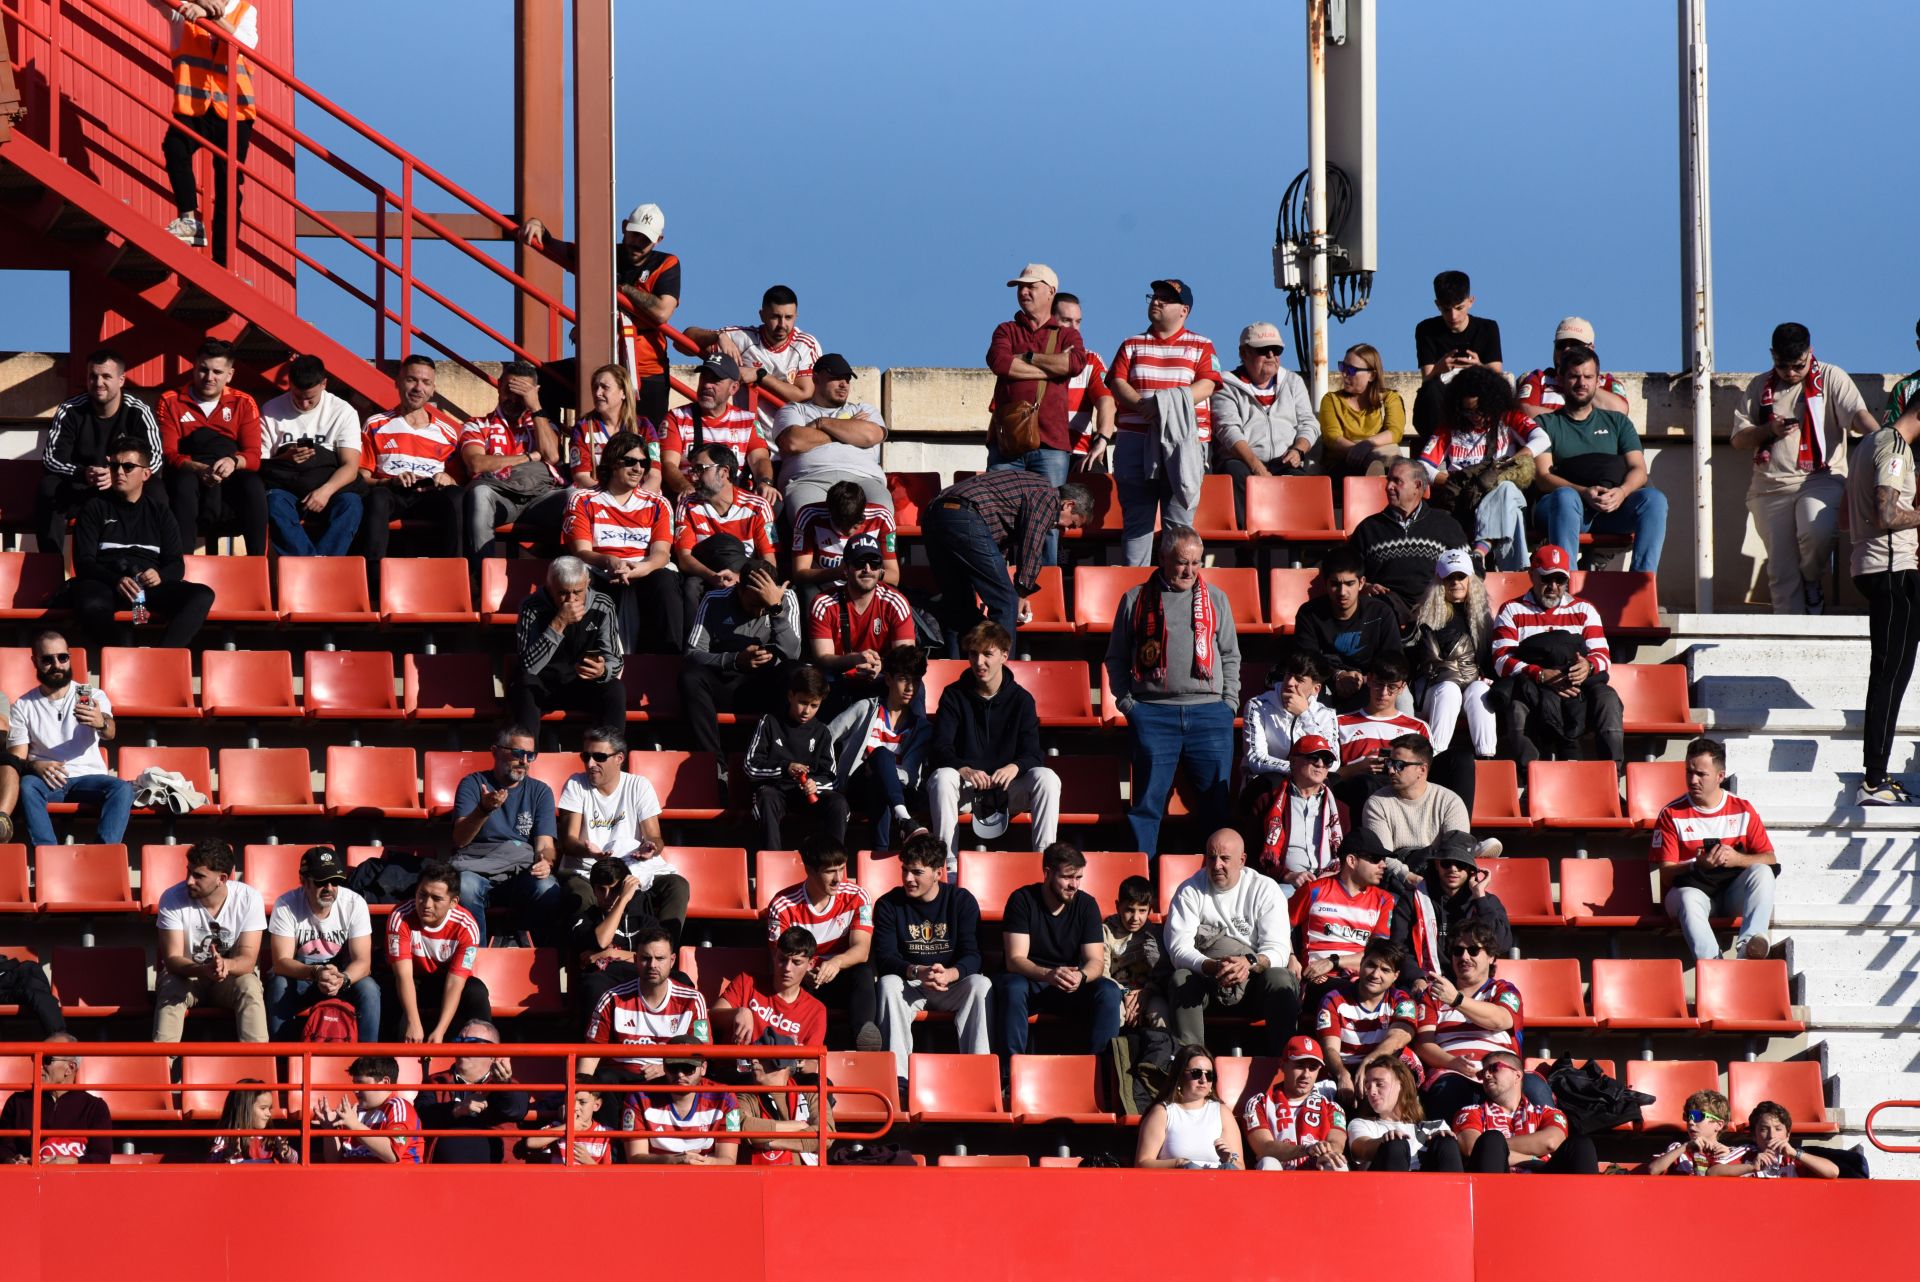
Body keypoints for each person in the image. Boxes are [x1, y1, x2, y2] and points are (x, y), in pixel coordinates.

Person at [1107, 527, 1241, 856]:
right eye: (1182, 562)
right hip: (1152, 715)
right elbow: (1116, 657)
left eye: (1196, 563)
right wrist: (1129, 705)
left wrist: (1229, 704)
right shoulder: (1136, 599)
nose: (1190, 571)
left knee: (1215, 807)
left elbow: (1230, 655)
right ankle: (1143, 889)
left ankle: (1214, 885)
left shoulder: (1216, 599)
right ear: (1163, 558)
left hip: (1210, 715)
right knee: (1147, 807)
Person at [1734, 322, 1878, 615]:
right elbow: (1739, 439)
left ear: (1810, 353)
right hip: (1770, 488)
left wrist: (1883, 443)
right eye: (1783, 365)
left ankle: (1812, 580)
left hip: (1820, 478)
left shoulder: (1830, 376)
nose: (1790, 373)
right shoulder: (1759, 386)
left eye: (1798, 366)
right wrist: (1768, 429)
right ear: (1772, 355)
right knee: (1782, 573)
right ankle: (1790, 636)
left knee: (1818, 531)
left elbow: (1858, 416)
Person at [518, 202, 680, 425]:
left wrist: (622, 288)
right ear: (624, 227)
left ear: (658, 240)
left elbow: (662, 312)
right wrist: (539, 227)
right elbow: (560, 249)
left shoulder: (666, 263)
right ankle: (551, 450)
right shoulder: (604, 255)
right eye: (635, 235)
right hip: (600, 363)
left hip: (646, 370)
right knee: (542, 380)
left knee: (647, 440)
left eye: (646, 239)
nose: (638, 243)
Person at [1106, 279, 1222, 566]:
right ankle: (1137, 588)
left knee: (1180, 524)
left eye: (1165, 299)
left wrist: (1162, 405)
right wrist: (1142, 405)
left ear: (1184, 310)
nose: (1156, 302)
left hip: (1184, 442)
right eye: (1154, 296)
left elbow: (1207, 385)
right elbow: (1117, 381)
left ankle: (1177, 592)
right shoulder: (1131, 344)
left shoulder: (1201, 345)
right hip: (1135, 440)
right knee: (1137, 521)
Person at [62, 435, 215, 649]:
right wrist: (116, 580)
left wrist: (160, 575)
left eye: (128, 466)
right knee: (90, 602)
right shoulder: (94, 507)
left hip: (146, 587)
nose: (119, 472)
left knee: (202, 595)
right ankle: (122, 653)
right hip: (106, 584)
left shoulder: (160, 513)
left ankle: (161, 658)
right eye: (114, 466)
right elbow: (84, 563)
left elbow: (176, 564)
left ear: (146, 474)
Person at [1487, 542, 1624, 776]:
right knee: (1517, 707)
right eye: (1545, 578)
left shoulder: (1584, 609)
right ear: (1531, 575)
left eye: (1560, 580)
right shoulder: (1511, 610)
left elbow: (1602, 655)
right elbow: (1501, 660)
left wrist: (1587, 667)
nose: (1553, 587)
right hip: (1532, 686)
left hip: (1578, 686)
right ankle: (1530, 779)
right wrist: (1540, 674)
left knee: (1608, 700)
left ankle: (1612, 777)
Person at [920, 470, 1091, 656]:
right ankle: (1001, 676)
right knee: (1006, 604)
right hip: (963, 515)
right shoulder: (1048, 496)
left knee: (959, 607)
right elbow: (1032, 543)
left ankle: (957, 671)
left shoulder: (1028, 489)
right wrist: (1021, 591)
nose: (1065, 531)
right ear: (1068, 505)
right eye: (1072, 524)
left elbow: (992, 548)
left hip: (935, 514)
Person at [1163, 828, 1300, 1055]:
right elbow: (1178, 949)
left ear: (1242, 861)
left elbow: (1278, 949)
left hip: (1255, 983)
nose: (1216, 865)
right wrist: (1212, 966)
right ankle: (1191, 1066)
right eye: (1211, 857)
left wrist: (1248, 963)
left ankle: (1285, 1064)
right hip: (1208, 980)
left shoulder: (1265, 889)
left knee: (1280, 977)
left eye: (1225, 858)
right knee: (1181, 979)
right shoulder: (1189, 890)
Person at [928, 621, 1059, 855]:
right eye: (973, 654)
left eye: (988, 654)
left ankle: (1045, 862)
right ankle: (946, 864)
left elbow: (1033, 754)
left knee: (1047, 778)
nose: (979, 662)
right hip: (966, 789)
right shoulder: (953, 695)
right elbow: (940, 747)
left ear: (1004, 655)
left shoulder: (1022, 700)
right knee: (942, 777)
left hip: (1008, 789)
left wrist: (1014, 767)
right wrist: (965, 769)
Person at [1532, 343, 1666, 572]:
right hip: (1561, 509)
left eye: (1588, 376)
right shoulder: (1546, 423)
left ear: (1598, 381)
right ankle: (1567, 584)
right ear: (1561, 380)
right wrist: (1583, 492)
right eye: (1574, 376)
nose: (1581, 383)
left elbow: (1638, 469)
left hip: (1610, 508)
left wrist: (1621, 493)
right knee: (1565, 497)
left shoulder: (1618, 422)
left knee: (1654, 500)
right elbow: (1543, 477)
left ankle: (1640, 585)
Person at [1848, 395, 1920, 804]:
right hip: (1891, 574)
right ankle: (1873, 779)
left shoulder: (1872, 442)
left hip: (1881, 570)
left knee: (1892, 673)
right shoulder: (1895, 448)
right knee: (1890, 675)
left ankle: (1876, 774)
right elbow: (1886, 515)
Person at [993, 842, 1123, 1058]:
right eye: (1068, 877)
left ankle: (1103, 1077)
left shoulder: (1087, 905)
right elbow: (1015, 960)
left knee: (1109, 991)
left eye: (1079, 877)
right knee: (1012, 987)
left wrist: (1081, 977)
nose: (1074, 885)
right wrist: (1048, 974)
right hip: (1030, 981)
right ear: (1047, 873)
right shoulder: (1022, 900)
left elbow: (1096, 962)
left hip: (1069, 985)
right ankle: (1008, 1078)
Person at [1652, 736, 1777, 961]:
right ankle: (1714, 966)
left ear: (1720, 776)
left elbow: (1770, 857)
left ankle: (1749, 949)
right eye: (1689, 772)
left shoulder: (1743, 809)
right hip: (1690, 893)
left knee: (1763, 872)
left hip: (1730, 894)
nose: (1692, 780)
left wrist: (1737, 859)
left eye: (1701, 774)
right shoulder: (1671, 814)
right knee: (1688, 898)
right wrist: (1695, 865)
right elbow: (1667, 874)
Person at [681, 559, 802, 790]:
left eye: (763, 605)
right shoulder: (715, 599)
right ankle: (714, 766)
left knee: (794, 672)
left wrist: (775, 609)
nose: (758, 611)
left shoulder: (786, 599)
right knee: (691, 677)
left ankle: (779, 761)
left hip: (767, 687)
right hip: (726, 682)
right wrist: (734, 660)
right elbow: (693, 653)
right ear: (738, 588)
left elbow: (793, 653)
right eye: (752, 604)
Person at [9, 629, 132, 852]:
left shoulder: (92, 695)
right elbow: (17, 757)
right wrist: (34, 765)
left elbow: (110, 732)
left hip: (88, 777)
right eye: (47, 659)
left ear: (69, 657)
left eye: (62, 657)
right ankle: (50, 854)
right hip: (47, 780)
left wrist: (101, 722)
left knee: (122, 789)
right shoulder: (23, 706)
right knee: (27, 785)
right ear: (35, 661)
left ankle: (102, 854)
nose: (56, 665)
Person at [1414, 923, 1547, 1121]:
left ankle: (1544, 1149)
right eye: (1458, 951)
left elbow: (1500, 1019)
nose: (1465, 957)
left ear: (1492, 956)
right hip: (1453, 1073)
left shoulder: (1503, 989)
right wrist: (1453, 1063)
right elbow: (1423, 1045)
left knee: (1535, 1086)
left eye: (1474, 950)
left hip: (1504, 1073)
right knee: (1449, 1090)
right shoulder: (1435, 993)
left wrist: (1456, 1000)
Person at [555, 727, 682, 934]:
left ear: (619, 758)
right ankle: (592, 955)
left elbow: (655, 838)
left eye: (599, 757)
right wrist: (590, 852)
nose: (590, 763)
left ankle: (661, 952)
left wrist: (650, 847)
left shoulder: (638, 785)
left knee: (676, 886)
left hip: (631, 868)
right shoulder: (576, 784)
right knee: (581, 895)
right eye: (585, 756)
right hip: (587, 870)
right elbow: (568, 840)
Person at [565, 428, 682, 654]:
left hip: (643, 569)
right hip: (601, 569)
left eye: (643, 463)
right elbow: (581, 552)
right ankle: (589, 658)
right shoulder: (582, 499)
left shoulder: (658, 504)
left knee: (666, 580)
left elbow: (661, 554)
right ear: (611, 462)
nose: (638, 469)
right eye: (630, 461)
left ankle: (668, 660)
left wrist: (639, 568)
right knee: (580, 576)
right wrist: (610, 561)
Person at [1421, 365, 1547, 572]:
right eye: (1467, 410)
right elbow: (1423, 466)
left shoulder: (1507, 419)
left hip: (1497, 491)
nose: (1474, 416)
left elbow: (1541, 438)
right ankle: (1515, 573)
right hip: (1466, 501)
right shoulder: (1450, 428)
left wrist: (1510, 462)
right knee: (1511, 505)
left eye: (1479, 410)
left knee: (1506, 489)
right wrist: (1451, 481)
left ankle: (1479, 553)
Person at [36, 347, 163, 554]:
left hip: (123, 489)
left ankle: (154, 563)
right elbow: (51, 458)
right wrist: (83, 473)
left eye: (106, 376)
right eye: (93, 376)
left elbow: (155, 459)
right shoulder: (70, 409)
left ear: (121, 380)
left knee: (156, 489)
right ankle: (51, 567)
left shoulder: (139, 411)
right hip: (82, 486)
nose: (98, 383)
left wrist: (117, 475)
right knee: (49, 487)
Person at [159, 0, 257, 262]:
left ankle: (223, 261)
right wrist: (199, 4)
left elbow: (246, 45)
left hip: (234, 113)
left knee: (228, 186)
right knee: (175, 147)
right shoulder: (183, 10)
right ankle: (188, 220)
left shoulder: (246, 11)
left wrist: (208, 15)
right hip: (195, 107)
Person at [450, 725, 565, 944]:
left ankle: (530, 957)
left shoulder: (540, 791)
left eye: (530, 755)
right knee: (465, 886)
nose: (524, 761)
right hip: (477, 869)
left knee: (548, 886)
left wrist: (545, 861)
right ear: (495, 751)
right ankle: (476, 963)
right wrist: (483, 810)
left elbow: (545, 844)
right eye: (518, 753)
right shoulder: (472, 784)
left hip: (518, 873)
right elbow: (460, 839)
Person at [985, 262, 1090, 494]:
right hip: (1007, 443)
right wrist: (1052, 368)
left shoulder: (1067, 334)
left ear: (1051, 291)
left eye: (1031, 286)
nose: (1023, 292)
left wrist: (1027, 357)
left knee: (1047, 520)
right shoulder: (1006, 329)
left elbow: (1074, 364)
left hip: (1051, 444)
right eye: (1020, 288)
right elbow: (1001, 363)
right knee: (1001, 515)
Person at [764, 837, 877, 1050]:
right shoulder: (782, 905)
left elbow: (861, 950)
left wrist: (835, 963)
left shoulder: (858, 896)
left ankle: (865, 1038)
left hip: (841, 974)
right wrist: (806, 974)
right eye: (829, 871)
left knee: (863, 972)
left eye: (842, 869)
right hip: (803, 980)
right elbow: (779, 960)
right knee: (789, 980)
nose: (838, 879)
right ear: (810, 870)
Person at [156, 338, 267, 554]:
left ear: (230, 375)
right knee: (183, 483)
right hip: (189, 470)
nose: (209, 378)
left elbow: (253, 456)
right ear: (194, 367)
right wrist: (198, 468)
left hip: (228, 471)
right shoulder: (170, 400)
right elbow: (168, 453)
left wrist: (233, 462)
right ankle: (181, 564)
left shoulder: (243, 402)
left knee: (253, 484)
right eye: (203, 370)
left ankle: (257, 562)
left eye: (217, 372)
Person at [154, 837, 268, 1043]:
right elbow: (172, 960)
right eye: (188, 871)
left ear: (222, 879)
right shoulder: (172, 898)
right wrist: (204, 969)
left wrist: (225, 964)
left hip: (229, 980)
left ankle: (257, 1067)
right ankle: (161, 1067)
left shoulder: (249, 898)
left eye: (198, 876)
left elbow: (248, 960)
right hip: (188, 978)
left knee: (250, 985)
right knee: (170, 986)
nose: (189, 880)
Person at [357, 354, 465, 568]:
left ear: (433, 389)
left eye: (426, 382)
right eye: (411, 380)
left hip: (429, 496)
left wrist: (448, 479)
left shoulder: (448, 432)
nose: (418, 388)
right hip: (392, 493)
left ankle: (455, 575)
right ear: (397, 383)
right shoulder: (376, 424)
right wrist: (389, 482)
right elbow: (362, 477)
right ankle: (372, 579)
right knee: (377, 497)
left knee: (456, 496)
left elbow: (459, 480)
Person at [265, 846, 379, 1042]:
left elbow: (363, 963)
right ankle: (281, 1064)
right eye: (321, 881)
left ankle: (368, 1064)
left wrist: (342, 979)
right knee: (278, 984)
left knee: (369, 989)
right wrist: (316, 972)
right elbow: (281, 962)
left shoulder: (354, 903)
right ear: (303, 881)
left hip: (341, 977)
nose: (329, 888)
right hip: (303, 977)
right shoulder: (286, 904)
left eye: (335, 881)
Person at [1210, 321, 1319, 525]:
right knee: (1236, 474)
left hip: (1283, 460)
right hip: (1242, 460)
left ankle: (1299, 549)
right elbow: (1228, 430)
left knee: (1303, 482)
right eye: (1263, 350)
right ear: (1244, 353)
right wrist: (1256, 466)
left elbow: (1309, 423)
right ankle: (1246, 544)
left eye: (1276, 350)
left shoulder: (1293, 382)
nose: (1271, 355)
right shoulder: (1226, 385)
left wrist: (1298, 450)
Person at [257, 355, 364, 557]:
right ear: (290, 384)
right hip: (286, 486)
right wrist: (286, 458)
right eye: (298, 397)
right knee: (274, 504)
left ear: (324, 384)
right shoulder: (271, 410)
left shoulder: (343, 411)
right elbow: (261, 462)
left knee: (351, 504)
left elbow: (350, 466)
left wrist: (325, 491)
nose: (304, 404)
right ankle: (312, 566)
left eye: (310, 399)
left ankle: (319, 567)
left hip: (329, 486)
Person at [459, 358, 562, 566]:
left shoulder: (543, 424)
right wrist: (529, 457)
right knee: (480, 493)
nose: (514, 399)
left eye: (521, 393)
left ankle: (563, 580)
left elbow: (552, 456)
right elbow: (476, 464)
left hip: (539, 498)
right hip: (499, 497)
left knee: (575, 497)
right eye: (509, 390)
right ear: (498, 386)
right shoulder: (477, 424)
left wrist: (535, 406)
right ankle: (483, 578)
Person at [828, 643, 931, 850]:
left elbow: (910, 774)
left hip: (898, 792)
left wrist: (883, 772)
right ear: (889, 679)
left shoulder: (922, 728)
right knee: (881, 755)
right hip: (858, 788)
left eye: (916, 681)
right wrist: (830, 775)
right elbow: (826, 736)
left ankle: (880, 853)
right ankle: (904, 820)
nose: (910, 688)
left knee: (880, 775)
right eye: (903, 679)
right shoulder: (866, 708)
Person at [507, 556, 627, 731]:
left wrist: (603, 670)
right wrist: (558, 624)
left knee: (614, 687)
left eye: (578, 592)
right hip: (544, 686)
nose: (571, 600)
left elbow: (615, 659)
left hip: (583, 686)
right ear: (550, 587)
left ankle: (611, 754)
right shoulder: (531, 606)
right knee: (523, 683)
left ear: (588, 583)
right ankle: (526, 754)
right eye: (562, 593)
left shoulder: (603, 604)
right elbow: (528, 667)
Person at [580, 927, 710, 1084]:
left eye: (660, 958)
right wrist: (579, 1094)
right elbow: (590, 1055)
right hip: (621, 1086)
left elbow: (701, 1052)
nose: (652, 965)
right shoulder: (612, 999)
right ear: (635, 960)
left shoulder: (693, 1000)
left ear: (672, 960)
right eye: (646, 958)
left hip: (671, 1081)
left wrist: (666, 1066)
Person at [1409, 549, 1497, 781]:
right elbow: (1424, 664)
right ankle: (1436, 759)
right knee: (1449, 691)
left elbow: (1486, 660)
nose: (1456, 582)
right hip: (1434, 688)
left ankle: (1486, 760)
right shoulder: (1425, 616)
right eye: (1450, 578)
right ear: (1440, 581)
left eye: (1461, 577)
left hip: (1468, 687)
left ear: (1470, 579)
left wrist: (1483, 676)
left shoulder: (1481, 618)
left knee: (1482, 691)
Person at [571, 856, 688, 1030]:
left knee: (681, 979)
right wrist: (623, 900)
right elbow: (602, 941)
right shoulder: (585, 919)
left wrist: (613, 954)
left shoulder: (644, 920)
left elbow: (659, 956)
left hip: (640, 976)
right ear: (593, 890)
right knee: (593, 986)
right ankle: (594, 1050)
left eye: (615, 889)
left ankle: (682, 1043)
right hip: (606, 978)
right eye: (601, 890)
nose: (608, 896)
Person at [681, 283, 822, 425]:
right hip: (747, 436)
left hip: (790, 438)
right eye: (775, 317)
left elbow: (803, 395)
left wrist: (759, 375)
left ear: (796, 316)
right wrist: (718, 336)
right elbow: (682, 342)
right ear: (762, 315)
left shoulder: (805, 345)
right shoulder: (743, 338)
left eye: (788, 317)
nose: (782, 324)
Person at [383, 860, 491, 1045]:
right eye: (422, 895)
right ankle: (384, 1060)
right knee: (385, 988)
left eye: (436, 898)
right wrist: (413, 1022)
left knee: (477, 991)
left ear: (453, 902)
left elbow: (455, 982)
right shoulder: (400, 916)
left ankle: (484, 1056)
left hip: (446, 983)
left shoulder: (467, 926)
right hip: (412, 981)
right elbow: (403, 976)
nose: (426, 904)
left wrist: (440, 1030)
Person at [744, 666, 849, 852]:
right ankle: (772, 861)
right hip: (777, 792)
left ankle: (833, 862)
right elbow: (751, 766)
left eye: (814, 705)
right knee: (766, 797)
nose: (806, 711)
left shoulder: (822, 732)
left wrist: (814, 783)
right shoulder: (769, 722)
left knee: (838, 803)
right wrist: (785, 768)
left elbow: (831, 777)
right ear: (790, 696)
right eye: (802, 702)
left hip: (808, 796)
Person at [1294, 547, 1409, 714]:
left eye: (1349, 583)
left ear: (1361, 582)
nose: (1342, 592)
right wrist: (1338, 675)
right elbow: (1307, 660)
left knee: (1404, 698)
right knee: (1304, 690)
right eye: (1335, 584)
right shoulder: (1309, 613)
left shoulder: (1381, 612)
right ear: (1325, 583)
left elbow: (1393, 660)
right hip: (1325, 681)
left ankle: (1403, 740)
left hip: (1373, 681)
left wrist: (1365, 679)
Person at [772, 353, 890, 513]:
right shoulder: (794, 409)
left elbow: (870, 436)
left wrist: (821, 423)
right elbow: (794, 442)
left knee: (881, 511)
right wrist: (850, 429)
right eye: (836, 378)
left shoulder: (864, 409)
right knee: (809, 518)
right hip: (809, 479)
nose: (844, 385)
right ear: (816, 379)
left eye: (847, 379)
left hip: (863, 478)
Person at [808, 534, 915, 709]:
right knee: (821, 678)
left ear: (881, 570)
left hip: (883, 676)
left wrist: (881, 665)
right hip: (840, 677)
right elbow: (822, 659)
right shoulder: (823, 603)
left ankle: (912, 734)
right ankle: (828, 736)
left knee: (909, 679)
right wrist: (854, 660)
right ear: (845, 569)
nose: (867, 569)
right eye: (859, 563)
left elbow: (906, 658)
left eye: (874, 564)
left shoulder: (896, 603)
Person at [1350, 457, 1471, 611]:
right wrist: (1365, 587)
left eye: (1397, 481)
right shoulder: (1368, 528)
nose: (1388, 487)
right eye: (1388, 480)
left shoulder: (1446, 524)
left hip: (1437, 605)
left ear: (1417, 486)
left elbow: (1473, 568)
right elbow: (1347, 572)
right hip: (1386, 607)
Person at [659, 353, 779, 506]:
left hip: (733, 500)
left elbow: (760, 459)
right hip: (692, 497)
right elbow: (668, 464)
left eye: (716, 380)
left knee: (775, 502)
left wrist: (765, 483)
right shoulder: (676, 417)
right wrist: (686, 488)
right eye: (704, 378)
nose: (707, 385)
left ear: (734, 388)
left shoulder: (747, 420)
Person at [675, 441, 777, 619]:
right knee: (691, 585)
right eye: (693, 471)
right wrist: (714, 577)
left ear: (724, 472)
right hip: (707, 575)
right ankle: (693, 645)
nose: (693, 477)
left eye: (701, 469)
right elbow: (684, 558)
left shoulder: (758, 506)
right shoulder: (687, 504)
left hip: (746, 577)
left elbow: (769, 561)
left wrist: (740, 578)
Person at [1290, 833, 1397, 1002]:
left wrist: (1334, 961)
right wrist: (1291, 956)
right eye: (1376, 859)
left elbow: (1379, 954)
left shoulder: (1384, 899)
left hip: (1365, 979)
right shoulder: (1313, 890)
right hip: (1318, 980)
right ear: (1352, 861)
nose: (1383, 865)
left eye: (1383, 859)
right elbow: (1279, 925)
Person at [1451, 1050, 1596, 1175]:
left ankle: (1587, 1207)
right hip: (1496, 1184)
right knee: (1492, 1139)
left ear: (1518, 1076)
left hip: (1544, 1182)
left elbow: (1551, 1142)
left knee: (1581, 1144)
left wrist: (1498, 1149)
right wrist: (1533, 1160)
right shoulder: (1471, 1112)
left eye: (1494, 1068)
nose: (1487, 1075)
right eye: (1483, 1072)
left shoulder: (1547, 1112)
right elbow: (1473, 1148)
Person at [1240, 649, 1340, 823]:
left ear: (1316, 689)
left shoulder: (1326, 714)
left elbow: (1333, 762)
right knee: (1275, 782)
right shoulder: (1258, 705)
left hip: (1310, 781)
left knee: (1335, 784)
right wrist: (1298, 769)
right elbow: (1256, 760)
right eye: (1288, 675)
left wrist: (1305, 715)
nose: (1290, 682)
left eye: (1299, 679)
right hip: (1267, 781)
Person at [1316, 939, 1420, 1101]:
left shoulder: (1402, 1001)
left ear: (1395, 976)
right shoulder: (1333, 999)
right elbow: (1330, 1049)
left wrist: (1369, 1062)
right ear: (1361, 964)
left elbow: (1399, 1038)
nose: (1375, 974)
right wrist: (1342, 1075)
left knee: (1407, 1061)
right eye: (1371, 965)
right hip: (1341, 1071)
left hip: (1380, 1071)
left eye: (1385, 970)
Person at [417, 1019, 530, 1164]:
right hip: (442, 1176)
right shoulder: (435, 1081)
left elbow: (517, 1109)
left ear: (493, 1053)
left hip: (495, 1178)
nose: (462, 1046)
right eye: (459, 1040)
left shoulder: (508, 1084)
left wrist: (503, 1085)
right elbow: (421, 1117)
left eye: (472, 1041)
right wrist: (458, 1109)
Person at [619, 1037, 742, 1166]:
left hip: (706, 1177)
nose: (680, 1074)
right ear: (664, 1067)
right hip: (657, 1178)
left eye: (688, 1068)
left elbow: (728, 1160)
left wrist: (699, 1163)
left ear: (703, 1068)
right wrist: (674, 1161)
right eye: (673, 1067)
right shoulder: (638, 1097)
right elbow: (635, 1158)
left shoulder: (725, 1098)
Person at [1411, 269, 1503, 435]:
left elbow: (1497, 378)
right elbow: (1427, 380)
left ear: (1471, 301)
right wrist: (1440, 368)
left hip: (1477, 398)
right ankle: (1437, 445)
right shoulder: (1426, 330)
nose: (1453, 316)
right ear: (1437, 305)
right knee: (1431, 391)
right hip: (1442, 401)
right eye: (1446, 310)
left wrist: (1479, 367)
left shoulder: (1488, 328)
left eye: (1459, 308)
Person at [1359, 734, 1476, 863]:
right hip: (1399, 874)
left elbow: (1454, 856)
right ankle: (1474, 849)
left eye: (1399, 765)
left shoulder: (1450, 802)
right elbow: (1384, 859)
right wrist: (1409, 877)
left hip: (1440, 872)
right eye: (1390, 763)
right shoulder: (1377, 803)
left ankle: (1470, 848)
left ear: (1422, 769)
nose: (1391, 770)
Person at [1333, 656, 1431, 811]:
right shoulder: (1339, 723)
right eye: (1379, 684)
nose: (1384, 693)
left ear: (1402, 687)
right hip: (1356, 793)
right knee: (1366, 783)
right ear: (1370, 680)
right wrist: (1359, 768)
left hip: (1404, 799)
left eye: (1392, 687)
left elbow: (1427, 775)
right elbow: (1326, 775)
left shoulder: (1418, 727)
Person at [790, 480, 902, 614]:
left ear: (863, 513)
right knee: (807, 592)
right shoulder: (809, 515)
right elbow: (799, 573)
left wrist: (868, 572)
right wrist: (837, 573)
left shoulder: (882, 518)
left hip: (867, 584)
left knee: (893, 596)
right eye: (839, 525)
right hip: (825, 585)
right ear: (829, 511)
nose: (848, 532)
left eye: (856, 525)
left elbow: (894, 577)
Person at [1256, 735, 1349, 892]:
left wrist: (1336, 873)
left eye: (1327, 761)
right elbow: (1253, 852)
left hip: (1331, 884)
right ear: (1293, 761)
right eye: (1314, 757)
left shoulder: (1341, 809)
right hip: (1284, 884)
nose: (1320, 764)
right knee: (1279, 897)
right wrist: (1287, 875)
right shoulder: (1268, 802)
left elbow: (1350, 854)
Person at [715, 926, 829, 1054]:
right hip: (734, 1070)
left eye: (796, 962)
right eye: (782, 959)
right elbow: (711, 1018)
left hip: (781, 1073)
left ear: (810, 965)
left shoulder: (816, 1010)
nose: (787, 968)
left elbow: (813, 1064)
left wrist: (800, 1060)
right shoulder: (747, 981)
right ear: (775, 955)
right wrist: (737, 1012)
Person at [1240, 1037, 1348, 1171]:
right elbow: (1264, 1147)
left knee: (1337, 1163)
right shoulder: (1259, 1103)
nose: (1306, 1074)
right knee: (1268, 1162)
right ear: (1283, 1065)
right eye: (1299, 1066)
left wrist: (1329, 1153)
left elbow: (1337, 1142)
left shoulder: (1332, 1107)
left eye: (1313, 1068)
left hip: (1318, 1175)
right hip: (1279, 1176)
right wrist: (1306, 1150)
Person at [0, 1035, 109, 1165]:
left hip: (75, 1182)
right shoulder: (17, 1102)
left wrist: (72, 1162)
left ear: (70, 1068)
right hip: (28, 1182)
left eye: (46, 1059)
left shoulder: (95, 1107)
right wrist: (14, 1161)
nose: (38, 1064)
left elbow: (101, 1157)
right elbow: (4, 1149)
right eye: (35, 1058)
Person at [1345, 1054, 1462, 1172]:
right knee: (1395, 1145)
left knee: (1446, 1142)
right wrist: (1382, 1141)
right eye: (1368, 1087)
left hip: (1427, 1186)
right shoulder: (1362, 1124)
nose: (1372, 1092)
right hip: (1383, 1185)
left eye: (1379, 1084)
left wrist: (1440, 1142)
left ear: (1401, 1084)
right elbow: (1362, 1149)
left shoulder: (1436, 1126)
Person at [1135, 1044, 1244, 1170]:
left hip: (1218, 1183)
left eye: (1209, 1075)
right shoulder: (1163, 1112)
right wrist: (1179, 1164)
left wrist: (1229, 1159)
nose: (1203, 1080)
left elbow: (1240, 1168)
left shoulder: (1222, 1112)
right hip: (1178, 1183)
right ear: (1180, 1076)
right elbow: (1142, 1163)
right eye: (1196, 1073)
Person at [732, 1037, 832, 1167]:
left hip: (806, 1180)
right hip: (760, 1181)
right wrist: (796, 1125)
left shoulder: (811, 1093)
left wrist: (771, 1142)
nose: (754, 1061)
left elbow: (826, 1136)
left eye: (762, 1057)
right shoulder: (745, 1096)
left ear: (783, 1064)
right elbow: (741, 1126)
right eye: (753, 1056)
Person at [312, 1055, 424, 1165]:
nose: (355, 1091)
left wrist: (355, 1126)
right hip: (352, 1179)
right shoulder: (354, 1112)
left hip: (393, 1180)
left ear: (385, 1083)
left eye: (360, 1084)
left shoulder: (399, 1107)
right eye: (354, 1084)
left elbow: (392, 1154)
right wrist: (330, 1129)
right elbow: (332, 1161)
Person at [1317, 343, 1404, 478]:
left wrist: (1366, 445)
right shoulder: (1331, 400)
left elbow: (1395, 431)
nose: (1344, 373)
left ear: (1372, 375)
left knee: (1404, 469)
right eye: (1343, 367)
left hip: (1382, 460)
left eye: (1351, 370)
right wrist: (1359, 453)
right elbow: (1332, 437)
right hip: (1343, 463)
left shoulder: (1390, 398)